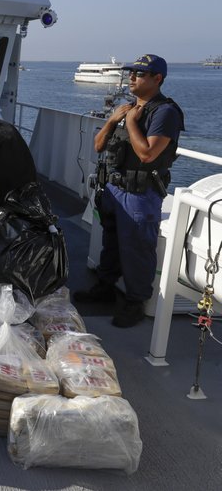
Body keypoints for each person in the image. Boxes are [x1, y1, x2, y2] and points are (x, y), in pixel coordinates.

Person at [74, 54, 184, 328]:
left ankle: (136, 302)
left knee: (137, 248)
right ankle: (105, 288)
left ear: (157, 79)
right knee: (111, 243)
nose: (132, 77)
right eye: (131, 72)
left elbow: (147, 154)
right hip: (113, 189)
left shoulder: (164, 112)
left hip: (140, 193)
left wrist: (132, 122)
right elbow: (99, 146)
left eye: (140, 73)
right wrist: (113, 121)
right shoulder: (127, 109)